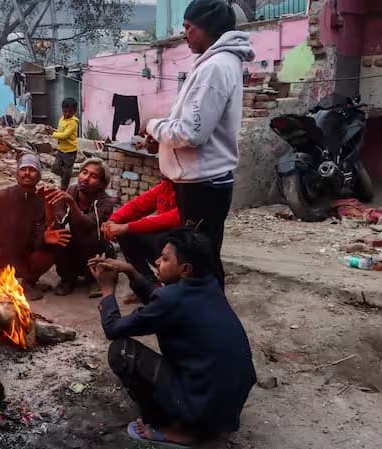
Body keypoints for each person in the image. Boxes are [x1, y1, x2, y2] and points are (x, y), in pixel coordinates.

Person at [89, 227, 256, 446]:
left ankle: (177, 429)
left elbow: (113, 329)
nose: (157, 261)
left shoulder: (172, 299)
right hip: (226, 405)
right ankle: (199, 418)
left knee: (121, 351)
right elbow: (161, 301)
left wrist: (107, 290)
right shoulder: (208, 285)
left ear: (185, 269)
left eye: (165, 259)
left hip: (202, 410)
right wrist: (131, 272)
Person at [142, 0, 255, 290]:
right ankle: (203, 315)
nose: (185, 34)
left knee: (200, 259)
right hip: (200, 181)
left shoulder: (216, 67)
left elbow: (191, 133)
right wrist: (163, 140)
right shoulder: (215, 63)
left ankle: (211, 319)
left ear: (207, 28)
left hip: (203, 185)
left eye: (188, 27)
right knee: (199, 255)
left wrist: (153, 125)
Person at [0, 153, 71, 301]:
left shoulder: (43, 199)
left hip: (29, 257)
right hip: (4, 257)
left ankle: (28, 282)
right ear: (16, 174)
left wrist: (46, 234)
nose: (27, 173)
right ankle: (6, 280)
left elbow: (51, 229)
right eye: (23, 169)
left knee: (53, 246)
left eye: (32, 169)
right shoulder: (1, 196)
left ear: (39, 175)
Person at [43, 157, 115, 298]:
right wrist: (49, 203)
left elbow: (87, 224)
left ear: (102, 184)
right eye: (84, 172)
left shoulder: (106, 202)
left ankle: (94, 278)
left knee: (92, 235)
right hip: (76, 244)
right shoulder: (72, 190)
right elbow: (60, 220)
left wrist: (71, 203)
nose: (86, 178)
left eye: (93, 176)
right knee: (61, 236)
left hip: (95, 246)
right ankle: (67, 278)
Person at [101, 177, 180, 283]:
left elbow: (171, 218)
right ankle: (146, 282)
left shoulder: (193, 189)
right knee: (125, 233)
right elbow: (137, 205)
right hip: (163, 242)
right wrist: (113, 221)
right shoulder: (166, 186)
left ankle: (172, 287)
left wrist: (127, 227)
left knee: (162, 239)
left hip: (181, 246)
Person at [47, 97, 80, 190]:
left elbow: (65, 135)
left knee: (67, 171)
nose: (67, 114)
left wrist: (52, 134)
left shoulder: (73, 122)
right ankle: (62, 179)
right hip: (61, 149)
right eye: (65, 112)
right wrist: (54, 131)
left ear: (74, 112)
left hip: (70, 151)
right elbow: (60, 131)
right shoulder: (62, 119)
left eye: (69, 112)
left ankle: (64, 188)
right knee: (55, 168)